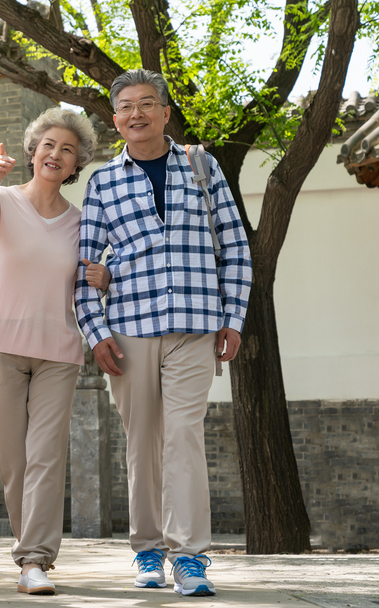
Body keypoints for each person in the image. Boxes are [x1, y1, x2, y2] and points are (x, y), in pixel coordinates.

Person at [74, 69, 252, 596]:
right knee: (142, 443)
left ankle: (190, 557)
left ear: (165, 112)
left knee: (183, 439)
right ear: (115, 120)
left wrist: (233, 316)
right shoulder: (103, 182)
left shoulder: (202, 165)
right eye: (126, 106)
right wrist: (95, 331)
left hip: (196, 326)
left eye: (147, 104)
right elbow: (85, 265)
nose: (137, 114)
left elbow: (234, 245)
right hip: (129, 329)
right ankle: (148, 550)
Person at [0, 108, 107, 596]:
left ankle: (34, 560)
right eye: (49, 144)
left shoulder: (82, 222)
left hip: (58, 352)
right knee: (14, 462)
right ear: (32, 152)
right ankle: (30, 552)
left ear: (75, 166)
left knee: (46, 455)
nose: (56, 154)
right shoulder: (1, 201)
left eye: (67, 150)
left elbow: (92, 278)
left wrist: (105, 279)